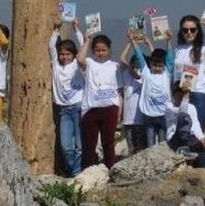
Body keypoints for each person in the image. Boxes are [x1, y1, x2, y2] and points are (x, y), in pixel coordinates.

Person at [77, 33, 123, 169]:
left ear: (109, 50)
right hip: (91, 109)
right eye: (97, 50)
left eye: (103, 50)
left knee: (108, 142)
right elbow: (80, 59)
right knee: (89, 144)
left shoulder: (115, 66)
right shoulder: (90, 63)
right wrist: (87, 41)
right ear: (93, 51)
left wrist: (119, 110)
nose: (100, 53)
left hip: (110, 108)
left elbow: (119, 90)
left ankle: (110, 169)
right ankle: (87, 171)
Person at [173, 15, 205, 131]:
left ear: (198, 30)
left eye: (193, 30)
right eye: (185, 30)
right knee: (183, 132)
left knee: (198, 131)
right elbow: (176, 73)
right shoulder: (178, 49)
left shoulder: (204, 46)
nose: (189, 33)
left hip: (198, 93)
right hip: (182, 94)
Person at [50, 19, 85, 176]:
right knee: (66, 146)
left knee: (79, 145)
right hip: (64, 110)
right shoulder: (56, 66)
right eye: (62, 54)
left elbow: (83, 44)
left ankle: (76, 174)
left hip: (78, 106)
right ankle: (73, 171)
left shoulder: (77, 65)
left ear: (73, 55)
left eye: (68, 54)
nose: (64, 57)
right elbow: (51, 47)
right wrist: (56, 30)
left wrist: (75, 29)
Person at [166, 81, 205, 168]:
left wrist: (202, 139)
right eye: (179, 95)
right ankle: (184, 154)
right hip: (175, 140)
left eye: (183, 96)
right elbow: (182, 112)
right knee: (184, 117)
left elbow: (196, 126)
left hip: (190, 139)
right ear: (173, 95)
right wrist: (186, 97)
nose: (181, 98)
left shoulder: (191, 107)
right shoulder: (169, 107)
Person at [131, 28, 175, 148]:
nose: (157, 68)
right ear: (150, 64)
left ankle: (162, 165)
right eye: (154, 65)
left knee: (162, 144)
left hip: (163, 115)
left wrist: (169, 41)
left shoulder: (167, 73)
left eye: (160, 65)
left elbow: (170, 58)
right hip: (149, 115)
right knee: (150, 145)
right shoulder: (146, 73)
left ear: (163, 66)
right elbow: (139, 57)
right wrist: (133, 41)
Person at [118, 41, 147, 155]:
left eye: (139, 67)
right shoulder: (127, 75)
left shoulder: (146, 78)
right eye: (134, 67)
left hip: (141, 119)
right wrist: (130, 42)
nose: (136, 70)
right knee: (131, 148)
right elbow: (121, 59)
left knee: (142, 148)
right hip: (128, 119)